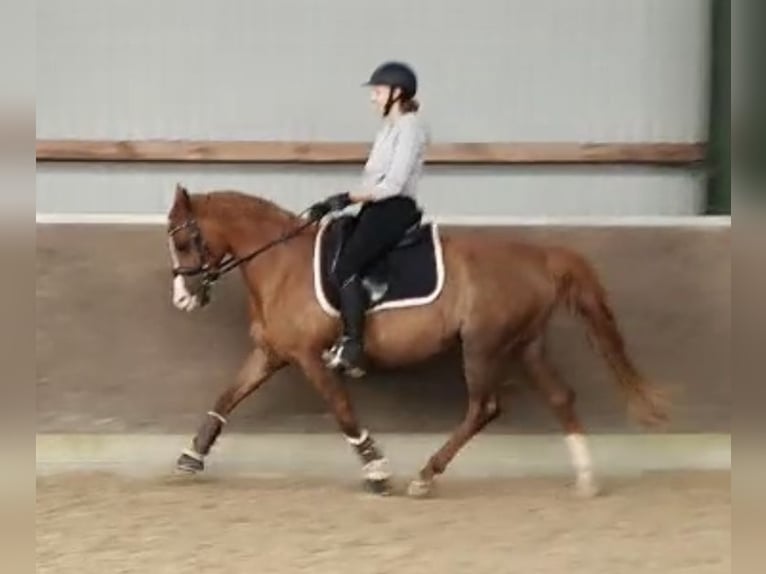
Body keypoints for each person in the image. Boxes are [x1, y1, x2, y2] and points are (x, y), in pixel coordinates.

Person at [318, 60, 430, 377]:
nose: (373, 98)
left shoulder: (411, 128)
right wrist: (335, 203)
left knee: (345, 266)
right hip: (375, 207)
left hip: (395, 208)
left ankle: (353, 346)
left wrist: (348, 198)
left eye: (378, 91)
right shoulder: (388, 130)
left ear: (397, 93)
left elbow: (393, 185)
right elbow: (372, 180)